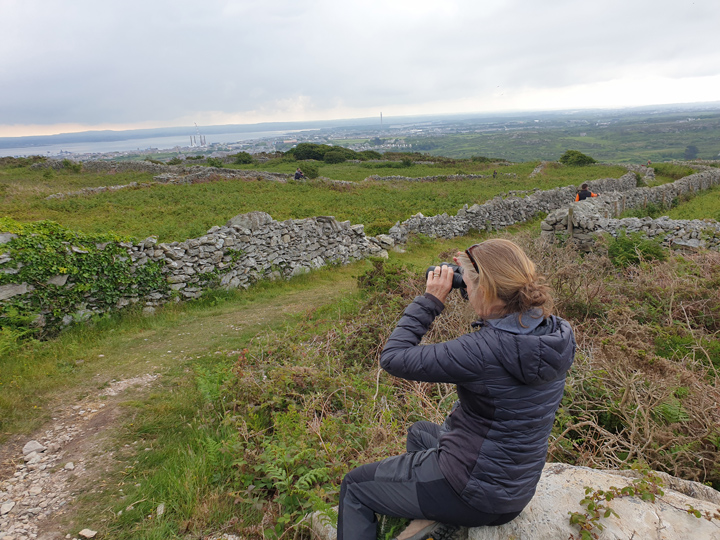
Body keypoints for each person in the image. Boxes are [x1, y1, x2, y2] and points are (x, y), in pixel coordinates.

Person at [337, 239, 576, 540]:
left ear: (487, 290)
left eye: (471, 284)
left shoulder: (481, 350)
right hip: (515, 492)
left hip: (472, 492)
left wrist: (431, 300)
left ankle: (444, 509)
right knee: (420, 433)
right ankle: (435, 515)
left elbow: (393, 358)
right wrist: (473, 281)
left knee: (355, 487)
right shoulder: (557, 332)